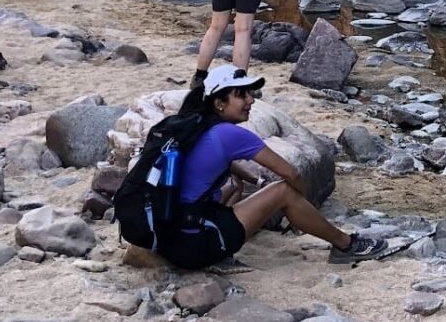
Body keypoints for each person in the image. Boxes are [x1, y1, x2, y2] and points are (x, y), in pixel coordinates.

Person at [158, 64, 390, 270]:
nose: (251, 100)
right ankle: (345, 245)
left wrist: (257, 182)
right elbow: (290, 173)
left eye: (250, 93)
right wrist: (304, 204)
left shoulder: (194, 126)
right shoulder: (230, 134)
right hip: (194, 247)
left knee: (235, 186)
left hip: (170, 238)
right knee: (284, 191)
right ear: (219, 103)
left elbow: (223, 164)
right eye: (241, 95)